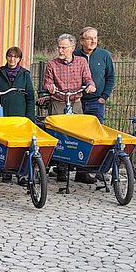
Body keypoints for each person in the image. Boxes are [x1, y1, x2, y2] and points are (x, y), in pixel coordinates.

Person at [43, 34, 97, 183]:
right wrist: (50, 87)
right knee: (58, 135)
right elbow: (47, 82)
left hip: (75, 101)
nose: (60, 50)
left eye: (64, 48)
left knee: (80, 135)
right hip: (58, 101)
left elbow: (88, 78)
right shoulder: (52, 64)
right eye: (59, 47)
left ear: (72, 48)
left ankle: (81, 171)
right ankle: (61, 169)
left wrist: (91, 86)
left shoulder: (81, 62)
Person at [0, 46, 36, 183]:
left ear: (19, 59)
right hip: (3, 117)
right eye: (10, 56)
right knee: (5, 145)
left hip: (20, 117)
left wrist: (29, 118)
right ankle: (6, 171)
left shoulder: (25, 75)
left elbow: (30, 98)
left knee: (21, 146)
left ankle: (22, 173)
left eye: (15, 57)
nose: (12, 59)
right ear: (6, 57)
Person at [73, 26, 115, 122]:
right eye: (89, 39)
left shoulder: (104, 55)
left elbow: (110, 77)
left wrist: (104, 97)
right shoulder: (74, 55)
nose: (93, 41)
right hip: (76, 101)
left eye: (95, 38)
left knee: (97, 132)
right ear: (81, 41)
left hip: (96, 102)